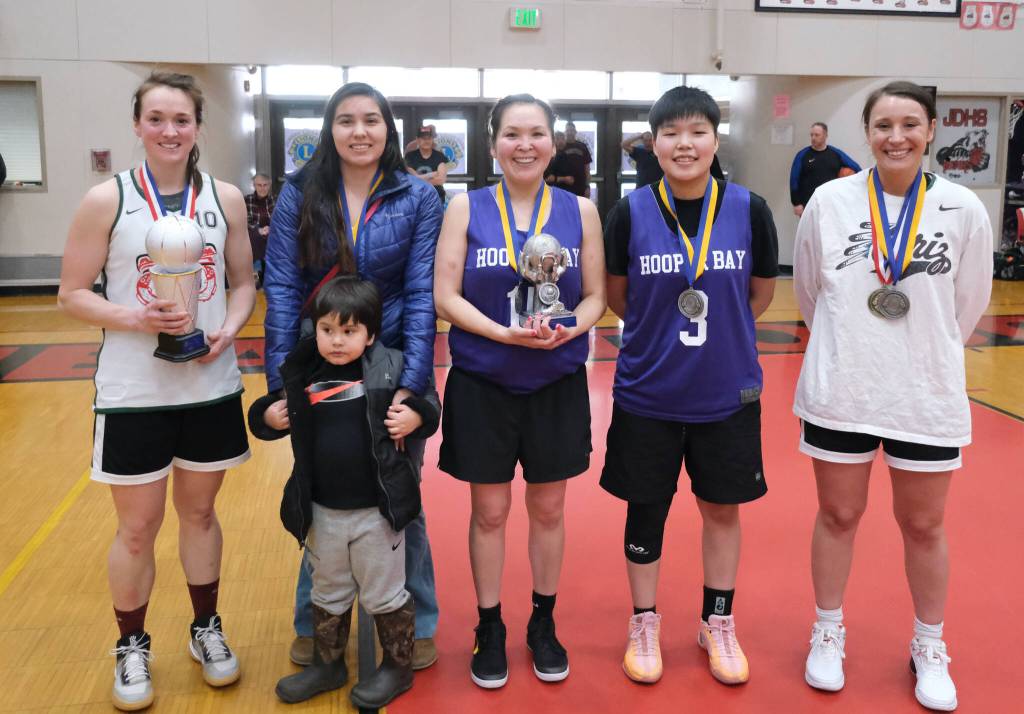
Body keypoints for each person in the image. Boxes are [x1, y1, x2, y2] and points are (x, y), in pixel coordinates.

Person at [57, 71, 255, 711]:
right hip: (134, 393)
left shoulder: (225, 198)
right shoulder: (106, 199)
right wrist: (136, 318)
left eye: (182, 120)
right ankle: (131, 644)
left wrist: (229, 327)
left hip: (208, 386)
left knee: (200, 515)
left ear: (198, 126)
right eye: (157, 119)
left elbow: (244, 283)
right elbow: (71, 294)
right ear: (138, 125)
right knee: (138, 529)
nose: (170, 131)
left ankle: (205, 628)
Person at [793, 81, 992, 712]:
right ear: (867, 132)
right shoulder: (830, 201)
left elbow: (968, 305)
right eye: (883, 125)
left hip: (924, 391)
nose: (896, 137)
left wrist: (920, 349)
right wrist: (851, 343)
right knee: (838, 515)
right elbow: (809, 292)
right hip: (843, 385)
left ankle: (929, 644)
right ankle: (828, 630)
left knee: (924, 524)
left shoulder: (963, 207)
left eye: (910, 124)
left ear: (931, 130)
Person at [601, 85, 779, 687]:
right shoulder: (629, 212)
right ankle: (644, 621)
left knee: (721, 510)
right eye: (671, 133)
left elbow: (758, 296)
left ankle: (716, 621)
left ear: (715, 139)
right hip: (648, 392)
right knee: (646, 508)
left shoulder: (750, 210)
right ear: (653, 144)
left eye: (698, 131)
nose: (685, 144)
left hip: (726, 392)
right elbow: (620, 298)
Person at [263, 82, 444, 672]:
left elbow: (421, 293)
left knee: (400, 491)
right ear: (329, 129)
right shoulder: (299, 193)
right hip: (321, 361)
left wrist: (413, 385)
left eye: (371, 120)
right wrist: (281, 383)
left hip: (391, 363)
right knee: (322, 488)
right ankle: (315, 625)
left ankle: (415, 622)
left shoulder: (419, 196)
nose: (359, 131)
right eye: (346, 120)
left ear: (389, 129)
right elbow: (282, 287)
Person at [434, 94, 606, 688]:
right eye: (512, 134)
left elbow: (595, 296)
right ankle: (489, 625)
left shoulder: (581, 211)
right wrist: (502, 333)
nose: (524, 144)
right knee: (489, 512)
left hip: (554, 381)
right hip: (484, 380)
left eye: (536, 133)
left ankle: (543, 621)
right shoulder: (465, 207)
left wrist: (571, 329)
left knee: (549, 509)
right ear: (492, 145)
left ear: (553, 144)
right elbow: (445, 295)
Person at [249, 276, 440, 707]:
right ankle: (328, 664)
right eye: (327, 330)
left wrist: (415, 417)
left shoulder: (391, 367)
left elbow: (429, 405)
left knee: (385, 593)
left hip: (377, 512)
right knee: (328, 591)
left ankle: (397, 668)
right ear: (314, 330)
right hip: (323, 511)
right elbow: (263, 416)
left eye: (349, 331)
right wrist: (268, 417)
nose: (337, 341)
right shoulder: (303, 370)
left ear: (370, 334)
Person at [790, 122, 862, 217]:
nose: (813, 138)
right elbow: (794, 180)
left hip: (831, 203)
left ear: (825, 135)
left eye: (817, 135)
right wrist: (796, 203)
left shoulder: (836, 153)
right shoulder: (802, 155)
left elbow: (857, 168)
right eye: (811, 135)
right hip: (808, 204)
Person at [244, 172, 275, 287]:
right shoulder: (246, 200)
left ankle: (266, 274)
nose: (262, 188)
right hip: (254, 234)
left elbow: (279, 218)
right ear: (254, 185)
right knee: (255, 236)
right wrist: (259, 230)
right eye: (259, 185)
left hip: (271, 233)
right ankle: (257, 273)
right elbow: (244, 220)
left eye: (265, 185)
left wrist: (271, 228)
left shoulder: (275, 200)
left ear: (269, 185)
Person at [404, 124, 448, 204]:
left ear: (432, 139)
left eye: (429, 138)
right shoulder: (409, 156)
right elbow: (410, 179)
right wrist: (431, 175)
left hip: (436, 198)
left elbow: (441, 180)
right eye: (423, 138)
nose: (426, 141)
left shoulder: (439, 156)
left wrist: (418, 178)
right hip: (415, 199)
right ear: (417, 140)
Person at [557, 121, 592, 197]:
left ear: (575, 132)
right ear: (565, 132)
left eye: (572, 130)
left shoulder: (582, 147)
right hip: (563, 188)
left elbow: (587, 168)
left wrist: (587, 186)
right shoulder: (560, 148)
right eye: (568, 130)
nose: (570, 133)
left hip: (581, 187)